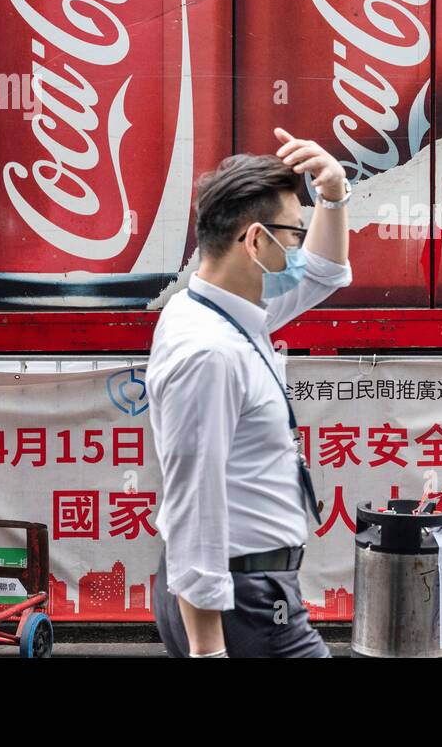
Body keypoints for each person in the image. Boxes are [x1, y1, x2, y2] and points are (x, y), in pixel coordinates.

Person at [149, 127, 352, 657]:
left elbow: (324, 273)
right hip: (242, 603)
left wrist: (333, 194)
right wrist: (208, 650)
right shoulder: (211, 351)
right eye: (293, 235)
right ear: (256, 241)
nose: (299, 251)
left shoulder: (226, 312)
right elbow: (195, 499)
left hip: (250, 593)